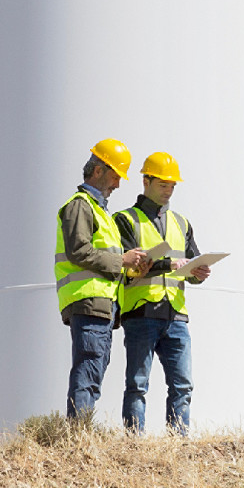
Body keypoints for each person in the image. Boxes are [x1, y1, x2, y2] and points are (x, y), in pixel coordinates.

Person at [114, 151, 211, 435]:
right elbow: (129, 264)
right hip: (141, 313)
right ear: (145, 181)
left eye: (172, 186)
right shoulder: (125, 220)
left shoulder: (182, 223)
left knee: (182, 385)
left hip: (176, 316)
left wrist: (198, 273)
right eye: (163, 185)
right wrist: (169, 263)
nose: (168, 191)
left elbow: (191, 261)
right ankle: (134, 443)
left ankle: (177, 443)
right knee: (137, 384)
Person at [55, 138, 148, 421]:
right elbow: (79, 251)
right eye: (116, 175)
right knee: (87, 372)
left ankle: (79, 434)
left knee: (92, 373)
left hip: (102, 306)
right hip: (88, 302)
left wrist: (131, 267)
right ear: (98, 170)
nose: (118, 184)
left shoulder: (100, 211)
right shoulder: (80, 206)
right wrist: (122, 260)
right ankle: (77, 437)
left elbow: (104, 258)